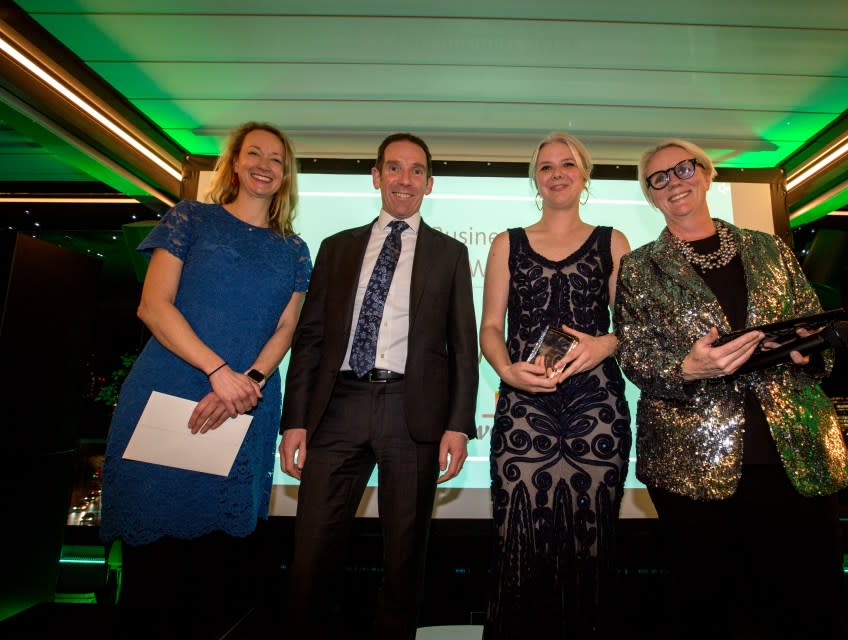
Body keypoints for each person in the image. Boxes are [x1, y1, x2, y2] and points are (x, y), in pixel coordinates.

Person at [615, 138, 848, 639]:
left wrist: (808, 349)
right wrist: (688, 367)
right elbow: (634, 354)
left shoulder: (770, 248)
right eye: (657, 179)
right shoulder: (640, 267)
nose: (672, 183)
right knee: (711, 602)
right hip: (691, 459)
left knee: (809, 598)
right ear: (650, 196)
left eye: (682, 169)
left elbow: (815, 333)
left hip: (794, 446)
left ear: (705, 175)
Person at [99, 122, 312, 635]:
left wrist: (247, 384)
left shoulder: (295, 249)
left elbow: (287, 327)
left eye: (276, 159)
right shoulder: (188, 218)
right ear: (234, 164)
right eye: (253, 154)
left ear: (286, 175)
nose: (264, 164)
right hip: (170, 392)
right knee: (153, 571)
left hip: (247, 405)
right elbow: (153, 306)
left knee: (220, 573)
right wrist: (219, 373)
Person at [279, 132, 479, 639]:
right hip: (337, 407)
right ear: (376, 176)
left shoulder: (451, 254)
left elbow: (462, 348)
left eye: (416, 171)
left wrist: (458, 425)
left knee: (404, 554)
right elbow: (310, 339)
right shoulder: (337, 247)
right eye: (394, 168)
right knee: (312, 552)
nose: (404, 180)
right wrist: (296, 420)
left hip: (411, 411)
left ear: (429, 184)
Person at [479, 131, 632, 638]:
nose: (558, 173)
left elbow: (630, 327)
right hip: (525, 405)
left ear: (584, 174)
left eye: (568, 164)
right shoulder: (507, 243)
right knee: (519, 536)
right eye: (546, 167)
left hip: (597, 406)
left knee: (591, 540)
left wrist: (603, 345)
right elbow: (490, 328)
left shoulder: (613, 241)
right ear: (536, 179)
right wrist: (504, 370)